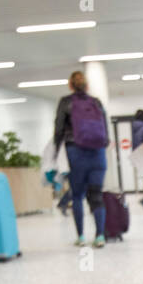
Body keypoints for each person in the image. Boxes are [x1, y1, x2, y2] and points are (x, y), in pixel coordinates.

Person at [52, 70, 111, 248]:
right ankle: (100, 236)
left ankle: (81, 237)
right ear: (87, 86)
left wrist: (56, 152)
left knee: (77, 195)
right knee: (97, 195)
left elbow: (58, 129)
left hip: (75, 152)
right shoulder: (96, 102)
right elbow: (105, 130)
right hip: (97, 153)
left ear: (70, 85)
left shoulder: (65, 102)